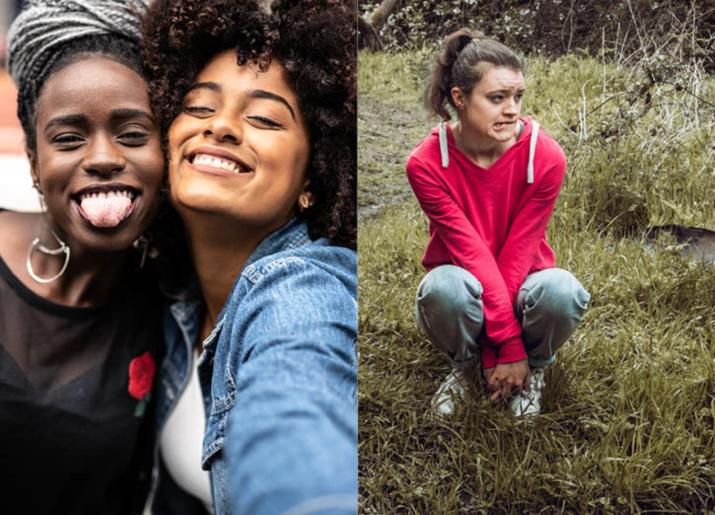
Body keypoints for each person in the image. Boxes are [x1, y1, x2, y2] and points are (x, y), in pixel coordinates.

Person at [141, 0, 357, 513]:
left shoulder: (303, 291)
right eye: (197, 107)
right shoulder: (169, 287)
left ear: (312, 179)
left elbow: (297, 410)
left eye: (263, 117)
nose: (221, 126)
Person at [0, 0, 164, 514]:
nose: (101, 159)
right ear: (33, 161)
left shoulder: (175, 299)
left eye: (133, 135)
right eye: (69, 139)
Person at [406, 28, 590, 417]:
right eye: (497, 98)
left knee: (562, 290)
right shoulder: (425, 164)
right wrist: (501, 347)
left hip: (523, 282)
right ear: (460, 98)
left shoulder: (545, 156)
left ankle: (534, 366)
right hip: (465, 288)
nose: (512, 109)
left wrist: (507, 346)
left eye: (517, 96)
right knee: (442, 288)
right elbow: (470, 252)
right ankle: (464, 364)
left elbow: (519, 252)